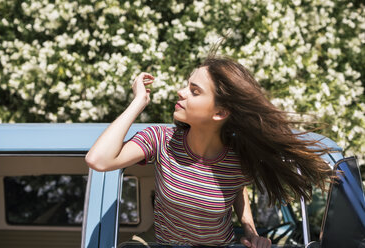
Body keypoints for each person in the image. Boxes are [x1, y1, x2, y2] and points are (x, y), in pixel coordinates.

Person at [85, 54, 334, 247]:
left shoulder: (239, 160)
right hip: (162, 243)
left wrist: (250, 230)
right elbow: (98, 160)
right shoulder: (160, 140)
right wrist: (138, 102)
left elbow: (236, 188)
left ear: (220, 113)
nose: (180, 92)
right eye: (187, 86)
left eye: (194, 91)